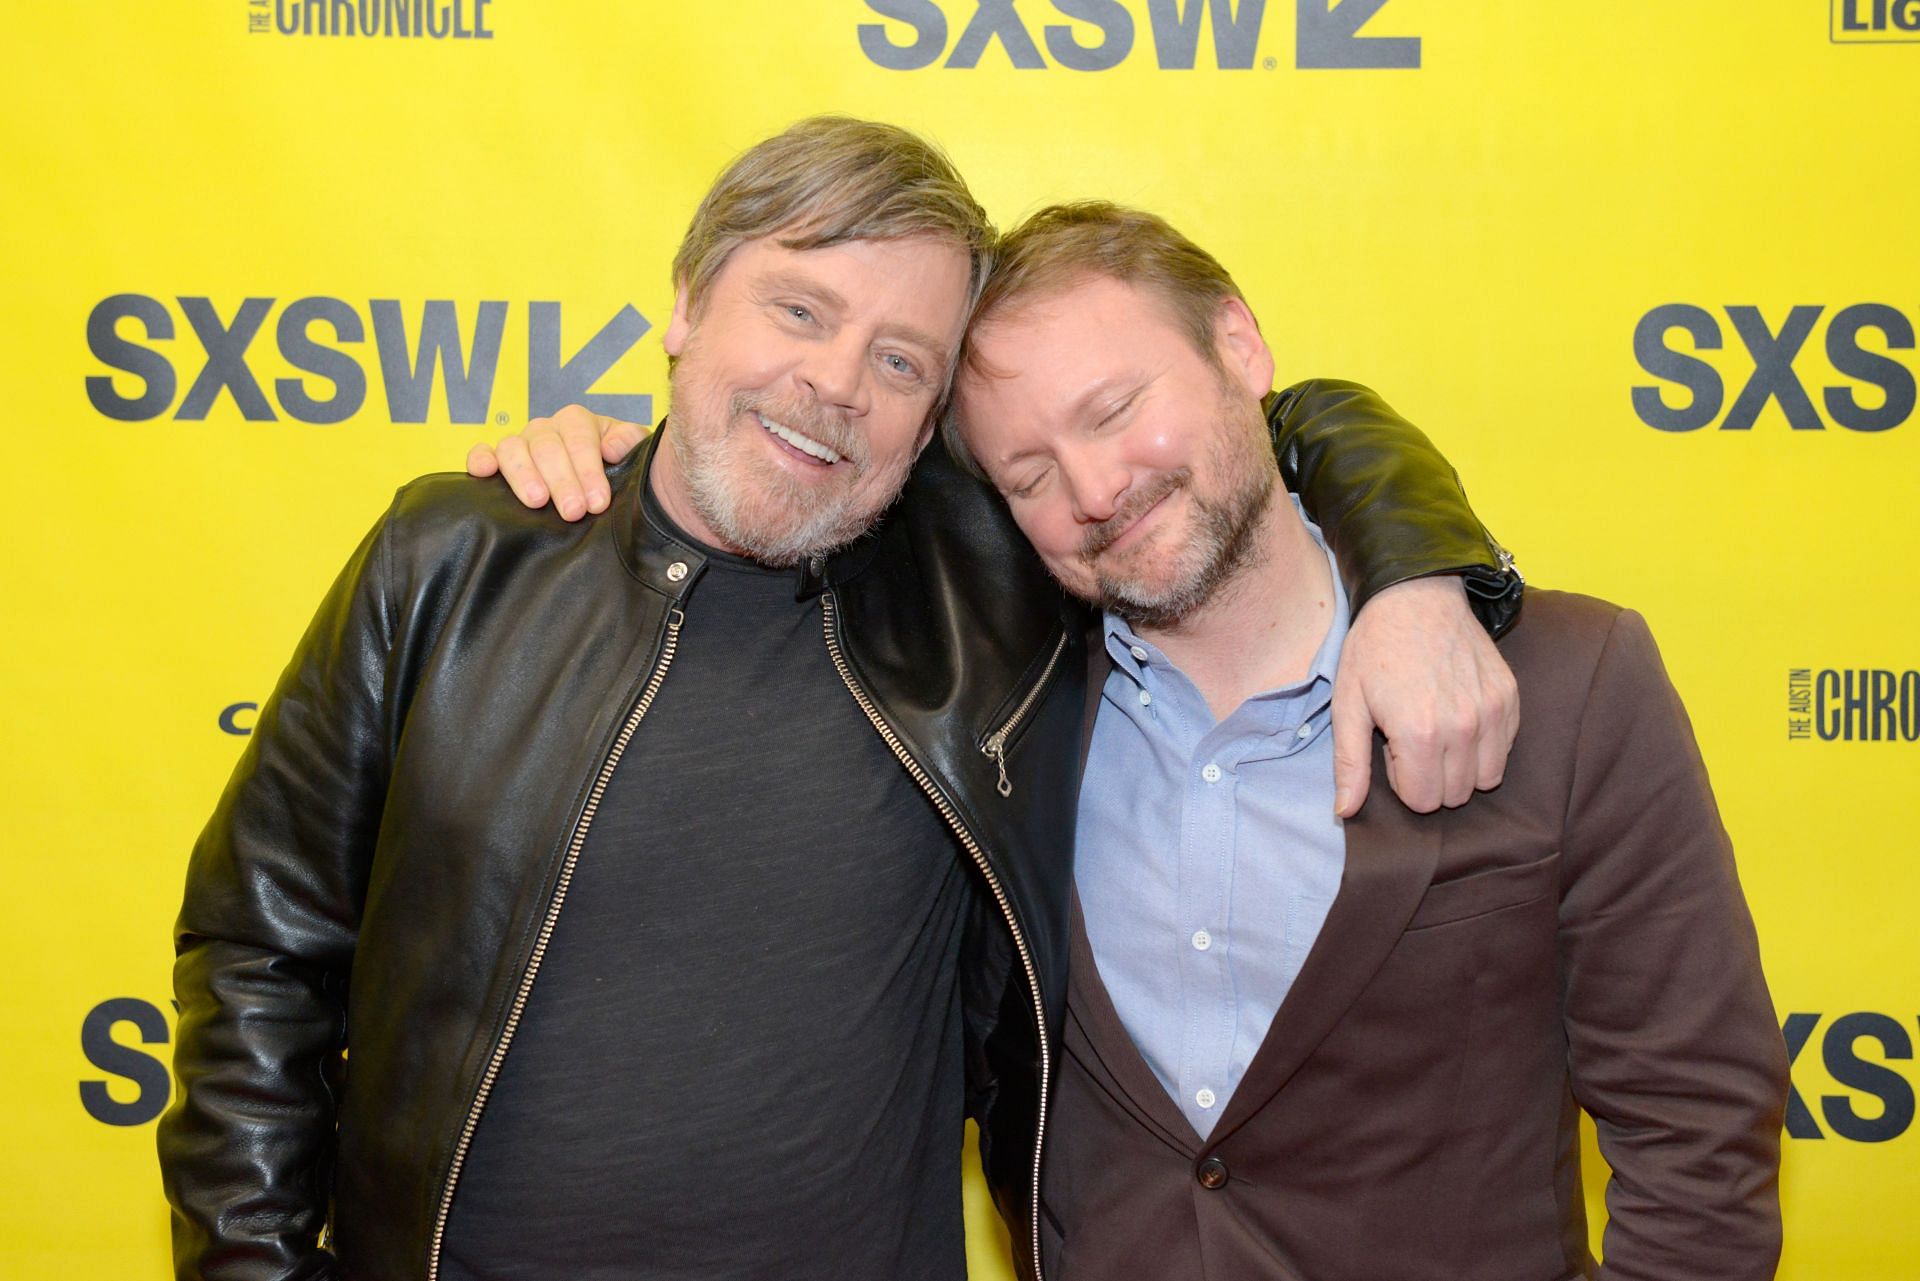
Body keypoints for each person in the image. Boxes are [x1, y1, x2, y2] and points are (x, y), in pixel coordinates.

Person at [160, 118, 1521, 1281]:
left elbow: (1250, 424)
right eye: (800, 311)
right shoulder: (455, 555)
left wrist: (1412, 570)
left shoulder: (991, 574)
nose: (834, 384)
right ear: (690, 303)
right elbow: (260, 956)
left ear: (932, 426)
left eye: (901, 362)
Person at [495, 201, 1788, 1280]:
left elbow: (1698, 1140)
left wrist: (1419, 575)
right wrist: (614, 481)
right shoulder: (1000, 705)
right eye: (1031, 473)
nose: (1097, 490)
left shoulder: (1566, 677)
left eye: (1116, 409)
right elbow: (772, 491)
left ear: (1241, 344)